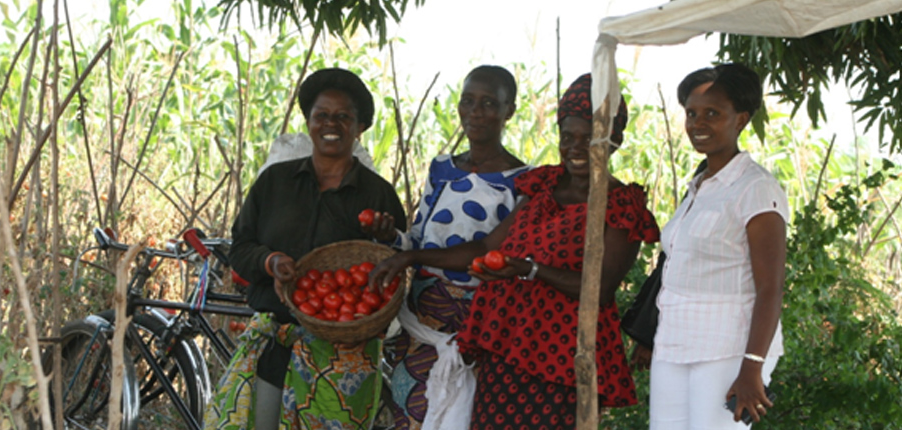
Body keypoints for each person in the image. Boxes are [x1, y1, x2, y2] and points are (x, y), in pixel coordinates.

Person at [372, 73, 660, 429]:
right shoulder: (544, 186)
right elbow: (486, 247)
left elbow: (598, 289)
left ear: (614, 139)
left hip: (564, 358)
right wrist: (411, 257)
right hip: (507, 343)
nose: (575, 148)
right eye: (567, 137)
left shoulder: (620, 206)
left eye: (590, 139)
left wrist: (528, 269)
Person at [221, 67, 408, 430]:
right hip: (275, 341)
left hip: (345, 357)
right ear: (308, 121)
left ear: (360, 127)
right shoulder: (274, 183)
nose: (331, 124)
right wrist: (270, 261)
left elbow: (397, 265)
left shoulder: (378, 193)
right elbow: (241, 246)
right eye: (321, 115)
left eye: (343, 117)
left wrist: (388, 239)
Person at [372, 65, 530, 430]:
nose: (476, 112)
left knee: (467, 416)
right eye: (468, 101)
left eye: (489, 103)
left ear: (510, 111)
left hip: (479, 327)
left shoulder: (524, 182)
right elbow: (418, 238)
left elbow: (485, 251)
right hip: (422, 323)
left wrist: (409, 255)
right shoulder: (442, 168)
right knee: (409, 414)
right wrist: (390, 238)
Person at [649, 63, 787, 429]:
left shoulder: (755, 187)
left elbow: (771, 287)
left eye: (713, 113)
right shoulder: (700, 186)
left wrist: (752, 367)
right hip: (674, 344)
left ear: (740, 120)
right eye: (691, 113)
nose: (698, 123)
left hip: (727, 348)